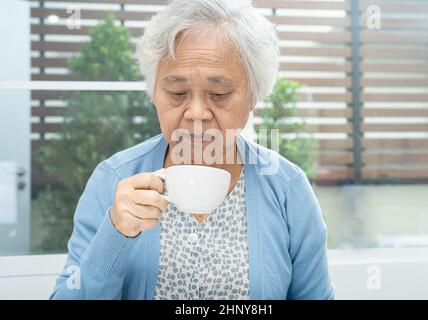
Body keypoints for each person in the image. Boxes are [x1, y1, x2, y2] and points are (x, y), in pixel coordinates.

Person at [50, 0, 335, 300]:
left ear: (253, 95)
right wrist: (116, 233)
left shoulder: (288, 189)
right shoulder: (113, 179)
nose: (197, 112)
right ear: (154, 94)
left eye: (219, 93)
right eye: (176, 93)